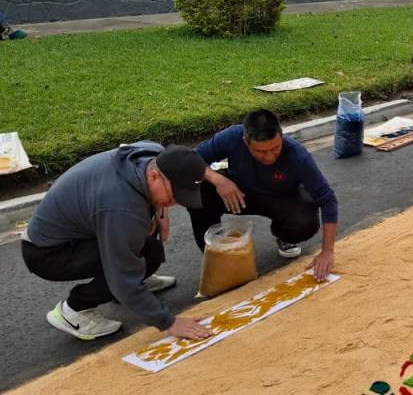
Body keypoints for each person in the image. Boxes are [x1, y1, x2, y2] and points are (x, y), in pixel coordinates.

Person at [22, 143, 212, 341]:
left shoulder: (152, 153)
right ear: (154, 176)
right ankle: (72, 310)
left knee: (144, 233)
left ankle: (137, 282)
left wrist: (160, 211)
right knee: (143, 257)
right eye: (174, 197)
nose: (177, 203)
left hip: (80, 229)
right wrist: (169, 322)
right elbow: (123, 277)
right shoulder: (122, 209)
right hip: (47, 253)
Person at [190, 110, 339, 281]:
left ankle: (283, 236)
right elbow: (192, 158)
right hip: (238, 193)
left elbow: (327, 199)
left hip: (279, 197)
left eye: (275, 148)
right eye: (260, 152)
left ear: (281, 136)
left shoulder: (298, 155)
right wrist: (217, 180)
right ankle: (215, 254)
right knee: (197, 188)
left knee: (305, 220)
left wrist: (327, 252)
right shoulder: (232, 136)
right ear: (245, 142)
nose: (269, 157)